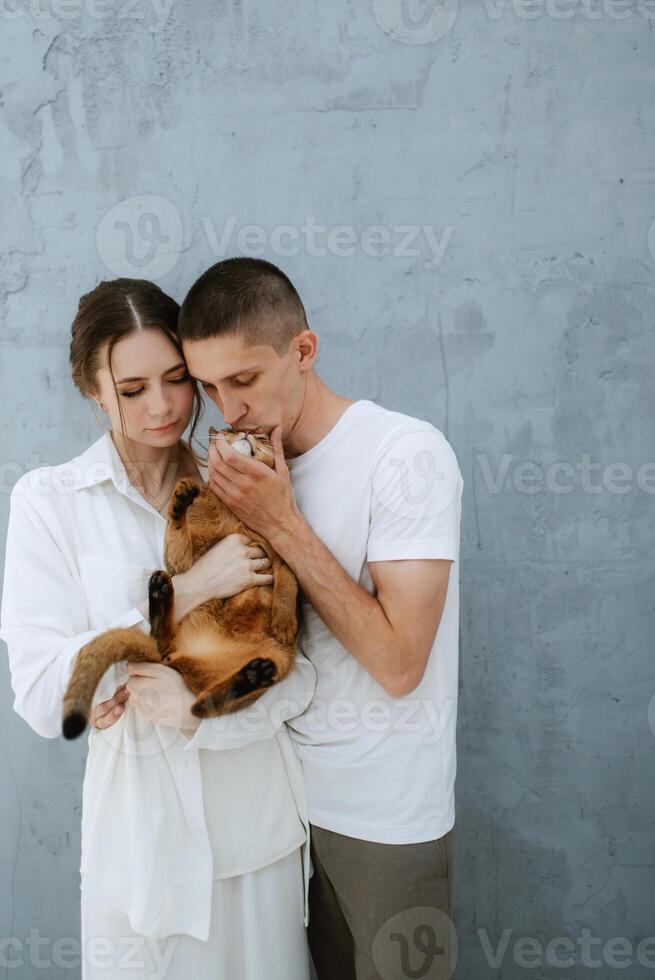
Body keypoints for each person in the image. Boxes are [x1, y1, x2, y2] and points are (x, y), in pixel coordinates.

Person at [0, 278, 316, 979]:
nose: (164, 406)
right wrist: (186, 591)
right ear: (90, 387)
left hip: (252, 835)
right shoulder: (49, 503)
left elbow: (299, 678)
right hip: (137, 855)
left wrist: (197, 715)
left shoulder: (240, 480)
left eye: (177, 379)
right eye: (133, 387)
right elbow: (48, 699)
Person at [176, 256, 464, 980]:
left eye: (242, 381)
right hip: (278, 813)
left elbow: (399, 665)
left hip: (382, 818)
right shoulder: (250, 464)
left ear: (303, 351)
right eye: (208, 387)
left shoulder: (403, 455)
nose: (227, 409)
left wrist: (282, 524)